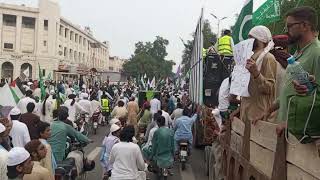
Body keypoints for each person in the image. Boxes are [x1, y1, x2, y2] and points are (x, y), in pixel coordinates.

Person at [276, 7, 320, 136]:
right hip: (286, 131)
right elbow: (289, 90)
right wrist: (270, 109)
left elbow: (316, 96)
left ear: (305, 25)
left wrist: (310, 90)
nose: (286, 31)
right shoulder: (297, 53)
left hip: (302, 133)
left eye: (289, 26)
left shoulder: (317, 53)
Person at [241, 26, 277, 123]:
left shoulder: (268, 58)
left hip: (258, 117)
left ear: (260, 40)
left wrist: (256, 73)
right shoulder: (249, 58)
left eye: (251, 38)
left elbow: (269, 88)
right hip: (245, 115)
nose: (248, 41)